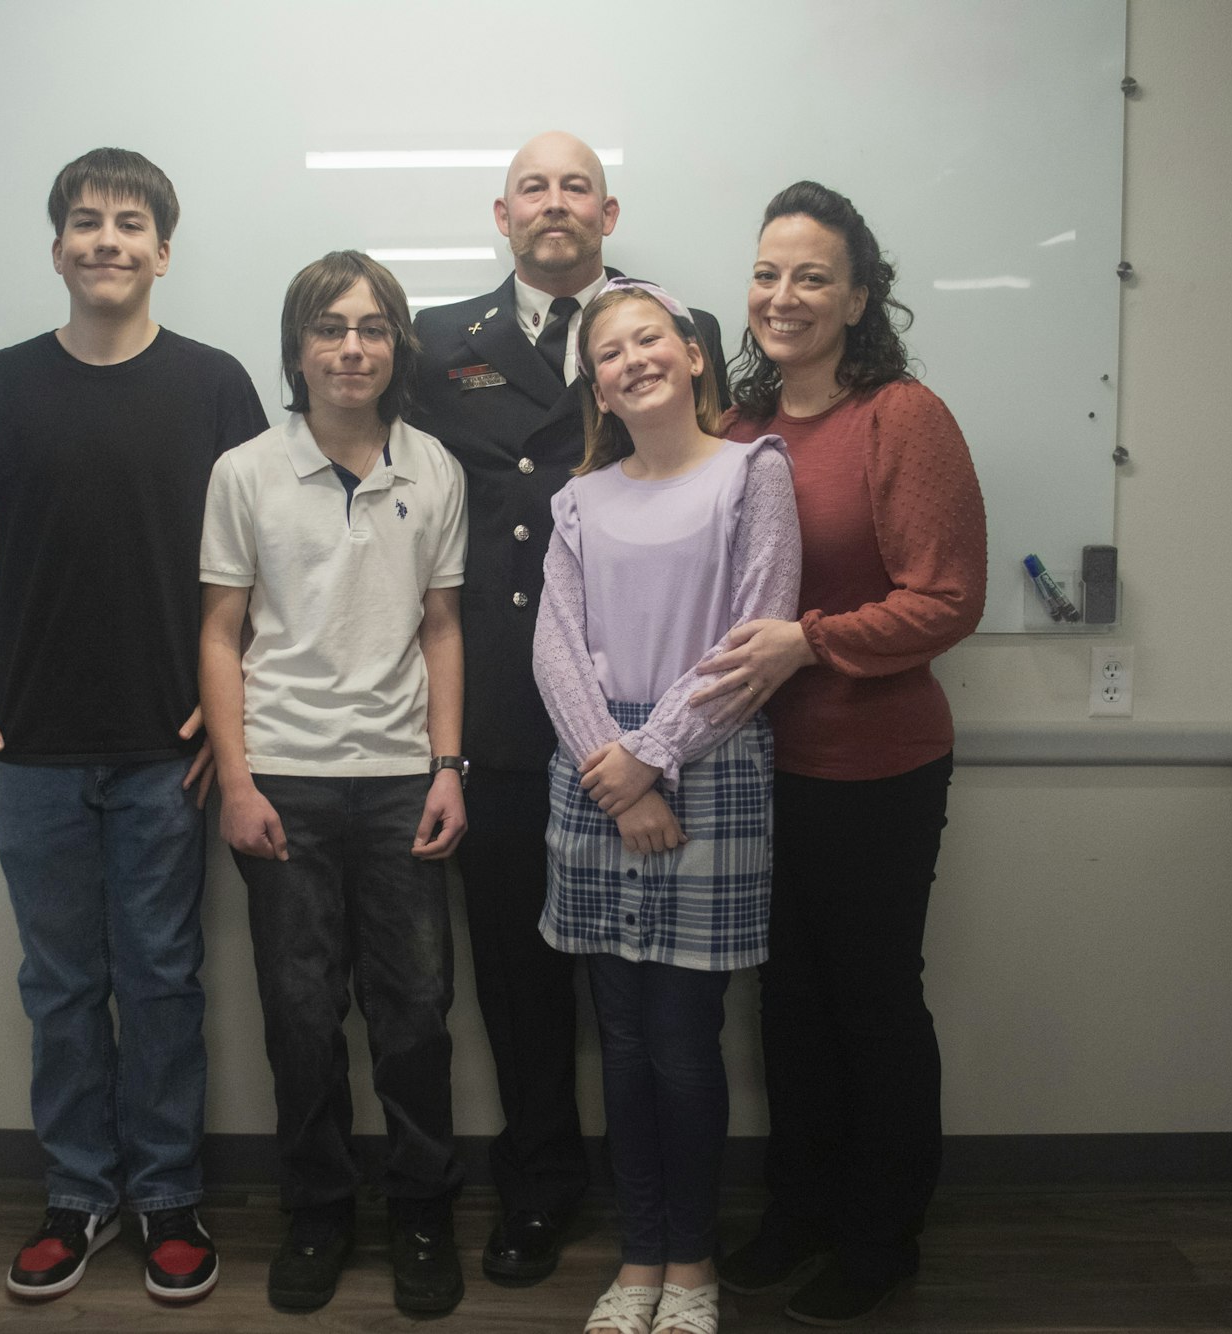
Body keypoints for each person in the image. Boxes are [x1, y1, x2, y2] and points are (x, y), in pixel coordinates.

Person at [0, 147, 267, 1305]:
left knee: (164, 975)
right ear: (56, 247)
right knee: (62, 984)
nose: (107, 241)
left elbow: (254, 566)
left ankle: (167, 1195)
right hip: (28, 738)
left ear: (162, 251)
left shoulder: (218, 384)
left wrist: (228, 708)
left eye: (130, 223)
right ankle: (78, 1193)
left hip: (164, 748)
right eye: (86, 222)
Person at [408, 131, 729, 1284]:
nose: (555, 204)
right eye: (532, 187)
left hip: (652, 709)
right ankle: (539, 1188)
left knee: (660, 995)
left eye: (575, 185)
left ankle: (674, 1221)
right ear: (503, 215)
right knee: (519, 977)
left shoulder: (661, 335)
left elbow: (715, 489)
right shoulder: (435, 341)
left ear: (608, 209)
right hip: (499, 705)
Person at [696, 181, 987, 1326]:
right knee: (784, 1008)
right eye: (767, 273)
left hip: (874, 768)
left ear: (859, 295)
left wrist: (804, 642)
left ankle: (880, 1235)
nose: (782, 295)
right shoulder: (736, 428)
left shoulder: (901, 417)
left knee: (869, 1000)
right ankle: (797, 1209)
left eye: (811, 275)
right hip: (756, 773)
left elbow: (946, 599)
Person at [198, 251, 470, 1317]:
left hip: (403, 775)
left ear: (396, 344)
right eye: (328, 327)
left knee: (415, 1012)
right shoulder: (243, 472)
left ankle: (421, 1207)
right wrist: (234, 778)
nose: (350, 346)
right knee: (300, 1014)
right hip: (284, 781)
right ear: (297, 347)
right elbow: (219, 636)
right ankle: (316, 1209)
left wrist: (447, 766)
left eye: (370, 327)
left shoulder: (434, 467)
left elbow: (441, 629)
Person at [532, 280, 800, 1334]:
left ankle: (691, 1265)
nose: (631, 358)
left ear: (693, 356)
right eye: (608, 349)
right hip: (593, 767)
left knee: (686, 1040)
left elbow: (756, 640)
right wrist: (612, 763)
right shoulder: (577, 499)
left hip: (707, 764)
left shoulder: (751, 473)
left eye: (650, 339)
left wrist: (649, 760)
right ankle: (636, 1255)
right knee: (621, 1038)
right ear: (593, 381)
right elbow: (553, 644)